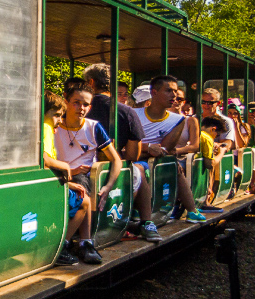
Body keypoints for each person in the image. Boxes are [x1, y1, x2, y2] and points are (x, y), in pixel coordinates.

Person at [80, 63, 158, 243]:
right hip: (111, 169)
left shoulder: (78, 108)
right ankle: (146, 222)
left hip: (81, 168)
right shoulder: (127, 111)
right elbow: (133, 155)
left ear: (91, 83)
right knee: (137, 169)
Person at [54, 80, 123, 265]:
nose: (81, 108)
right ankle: (83, 242)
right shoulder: (54, 125)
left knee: (82, 183)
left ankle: (71, 243)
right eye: (76, 102)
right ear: (66, 102)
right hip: (56, 173)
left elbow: (115, 159)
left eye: (85, 104)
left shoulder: (93, 127)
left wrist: (108, 186)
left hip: (82, 178)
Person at [133, 75, 208, 223]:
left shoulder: (178, 120)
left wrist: (149, 149)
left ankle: (191, 211)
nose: (173, 95)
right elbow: (127, 144)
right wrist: (147, 147)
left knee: (172, 165)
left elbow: (165, 149)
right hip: (134, 157)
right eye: (168, 91)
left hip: (156, 159)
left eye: (175, 91)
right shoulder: (135, 114)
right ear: (154, 93)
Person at [43, 91, 90, 266]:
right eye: (55, 115)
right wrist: (66, 166)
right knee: (84, 202)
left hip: (47, 182)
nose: (59, 120)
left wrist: (68, 183)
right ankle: (61, 247)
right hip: (46, 187)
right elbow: (45, 159)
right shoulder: (46, 129)